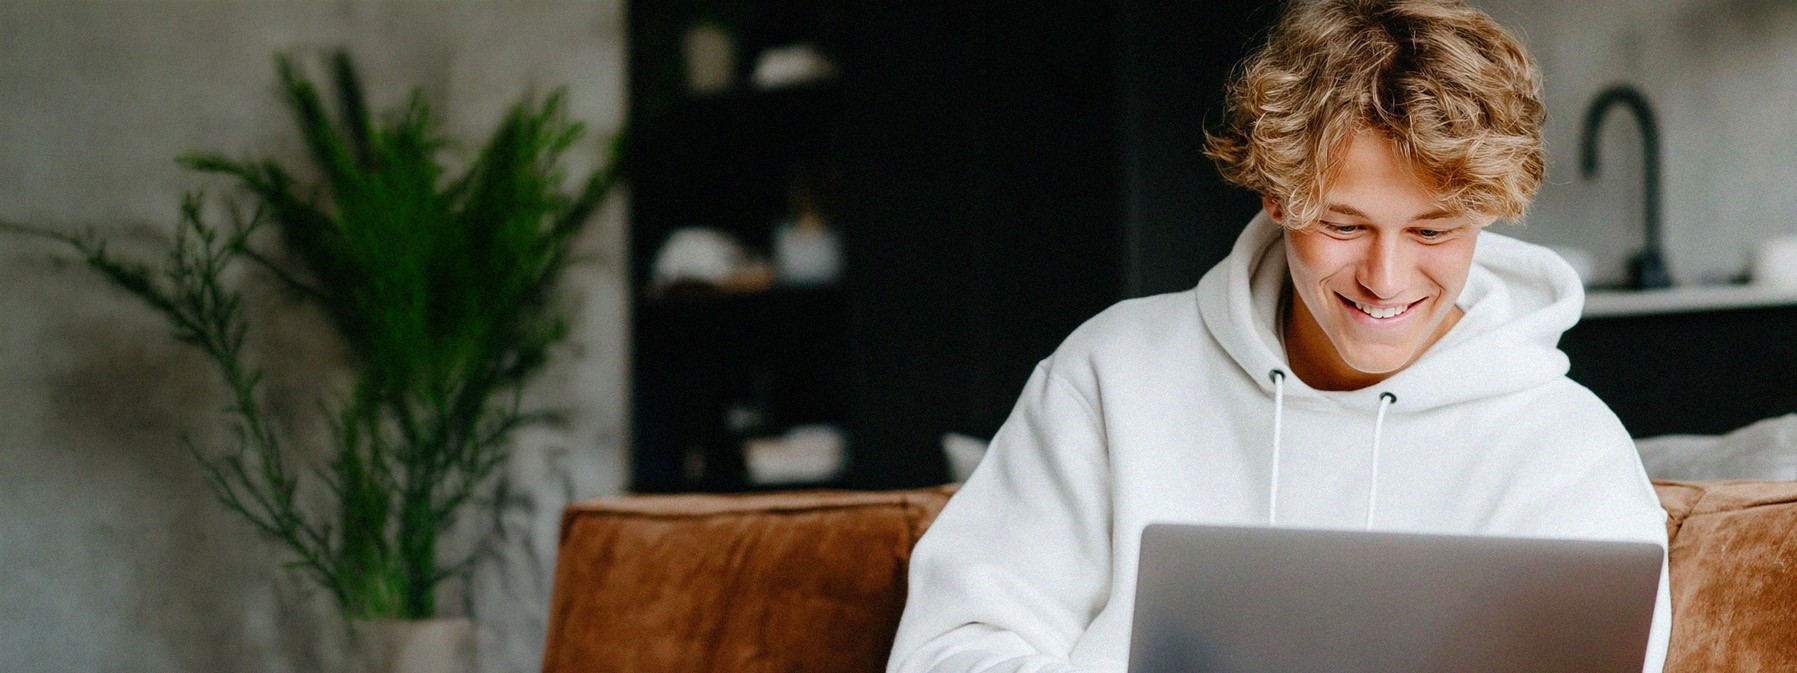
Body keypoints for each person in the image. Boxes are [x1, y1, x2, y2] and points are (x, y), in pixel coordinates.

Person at [885, 1, 1673, 672]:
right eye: (1343, 224)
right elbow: (950, 650)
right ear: (1275, 195)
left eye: (1432, 230)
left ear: (1487, 213)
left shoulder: (1566, 451)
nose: (1385, 277)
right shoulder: (1110, 374)